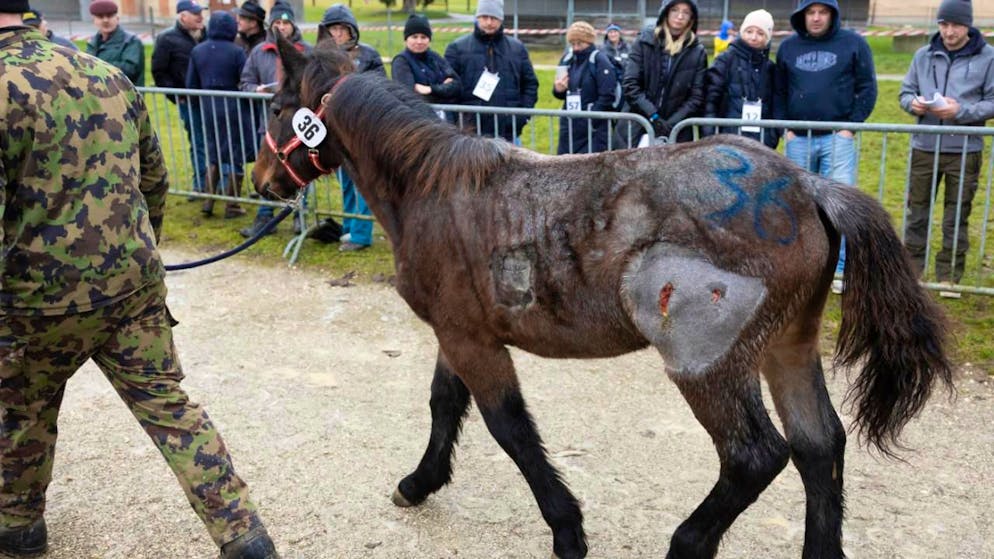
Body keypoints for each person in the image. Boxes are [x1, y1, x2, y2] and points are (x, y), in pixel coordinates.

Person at [0, 5, 278, 558]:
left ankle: (19, 528)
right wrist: (140, 246)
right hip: (131, 287)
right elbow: (154, 176)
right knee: (171, 410)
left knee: (22, 414)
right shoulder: (106, 74)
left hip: (35, 302)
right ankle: (245, 537)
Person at [775, 0, 877, 291]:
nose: (817, 18)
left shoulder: (853, 44)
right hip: (799, 139)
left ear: (832, 15)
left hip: (837, 138)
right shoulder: (788, 48)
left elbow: (867, 87)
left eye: (823, 12)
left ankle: (841, 268)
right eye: (811, 12)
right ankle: (802, 267)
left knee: (840, 205)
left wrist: (850, 126)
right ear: (802, 16)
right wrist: (787, 129)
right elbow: (779, 91)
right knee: (799, 205)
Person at [898, 0, 994, 297]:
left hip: (964, 149)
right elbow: (905, 92)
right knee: (917, 212)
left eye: (955, 25)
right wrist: (911, 103)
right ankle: (912, 272)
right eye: (944, 24)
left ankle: (949, 276)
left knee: (956, 214)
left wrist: (960, 111)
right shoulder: (923, 55)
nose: (949, 31)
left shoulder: (988, 57)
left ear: (968, 26)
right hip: (924, 146)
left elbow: (991, 102)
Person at [315, 4, 386, 252]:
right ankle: (348, 227)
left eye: (340, 29)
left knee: (362, 182)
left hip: (363, 129)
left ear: (350, 30)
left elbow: (381, 86)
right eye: (331, 29)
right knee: (345, 182)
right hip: (336, 130)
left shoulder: (368, 55)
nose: (336, 34)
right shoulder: (323, 60)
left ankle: (361, 233)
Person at [239, 0, 311, 238]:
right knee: (267, 169)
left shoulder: (306, 52)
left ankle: (300, 215)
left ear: (293, 24)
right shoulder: (260, 52)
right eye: (277, 23)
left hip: (298, 125)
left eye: (286, 23)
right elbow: (245, 82)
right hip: (269, 124)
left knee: (300, 170)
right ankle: (264, 217)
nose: (282, 27)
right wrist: (256, 91)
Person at [187, 10, 254, 219]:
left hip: (208, 106)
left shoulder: (198, 51)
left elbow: (191, 83)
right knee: (235, 152)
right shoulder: (236, 51)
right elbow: (244, 79)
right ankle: (232, 204)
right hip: (232, 105)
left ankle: (209, 201)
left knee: (214, 152)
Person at [444, 0, 539, 143]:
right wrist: (456, 122)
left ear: (501, 19)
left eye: (494, 18)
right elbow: (449, 88)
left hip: (508, 133)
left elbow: (530, 84)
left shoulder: (517, 49)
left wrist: (521, 117)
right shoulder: (457, 48)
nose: (489, 22)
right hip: (470, 134)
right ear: (477, 18)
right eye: (484, 17)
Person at [621, 0, 708, 144]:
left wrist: (671, 124)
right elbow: (631, 84)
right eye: (675, 10)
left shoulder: (698, 52)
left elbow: (696, 97)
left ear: (692, 18)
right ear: (666, 12)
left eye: (686, 12)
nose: (680, 16)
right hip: (638, 125)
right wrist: (653, 116)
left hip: (677, 132)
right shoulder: (644, 41)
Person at [152, 0, 208, 197]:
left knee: (217, 140)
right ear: (182, 16)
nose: (200, 17)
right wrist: (176, 97)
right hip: (189, 102)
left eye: (201, 12)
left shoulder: (208, 35)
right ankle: (201, 184)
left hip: (213, 101)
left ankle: (221, 183)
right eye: (195, 13)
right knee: (198, 141)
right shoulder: (167, 39)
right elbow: (159, 72)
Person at [703, 9, 780, 149]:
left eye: (760, 33)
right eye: (749, 31)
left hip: (761, 144)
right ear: (742, 32)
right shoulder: (725, 60)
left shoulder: (771, 68)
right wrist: (710, 137)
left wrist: (772, 136)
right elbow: (710, 100)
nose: (754, 37)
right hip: (726, 143)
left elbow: (775, 105)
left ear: (767, 38)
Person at [552, 21, 618, 154]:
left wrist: (591, 118)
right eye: (573, 43)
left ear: (589, 41)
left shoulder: (599, 60)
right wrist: (558, 89)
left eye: (580, 43)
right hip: (569, 126)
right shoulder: (567, 60)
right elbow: (560, 93)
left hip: (593, 130)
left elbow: (608, 94)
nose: (576, 48)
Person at [391, 13, 461, 110]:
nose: (419, 41)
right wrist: (443, 89)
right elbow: (408, 96)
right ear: (406, 39)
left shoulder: (435, 58)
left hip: (445, 119)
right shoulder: (401, 62)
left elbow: (457, 86)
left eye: (423, 37)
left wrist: (431, 89)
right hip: (419, 120)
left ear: (429, 39)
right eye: (414, 37)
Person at [84, 0, 143, 85]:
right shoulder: (92, 43)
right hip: (98, 93)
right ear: (94, 20)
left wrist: (96, 64)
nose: (105, 20)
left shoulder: (131, 41)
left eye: (110, 16)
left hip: (125, 95)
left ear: (117, 18)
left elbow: (129, 70)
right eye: (100, 16)